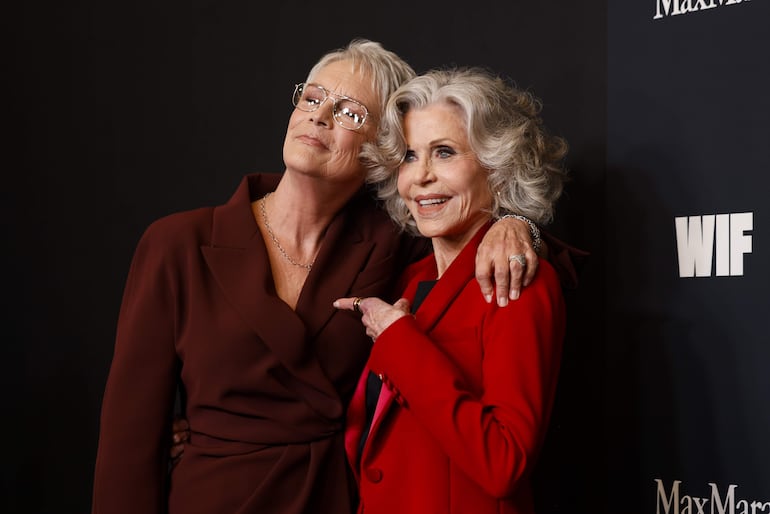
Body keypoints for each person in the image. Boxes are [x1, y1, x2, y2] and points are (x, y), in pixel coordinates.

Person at [91, 40, 546, 514]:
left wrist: (516, 225)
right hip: (214, 495)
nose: (319, 116)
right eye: (311, 98)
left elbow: (483, 240)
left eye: (350, 112)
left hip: (333, 499)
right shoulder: (177, 244)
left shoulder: (396, 243)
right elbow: (127, 444)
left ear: (382, 152)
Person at [334, 67, 568, 514]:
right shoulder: (414, 278)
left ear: (497, 169)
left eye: (443, 153)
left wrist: (400, 340)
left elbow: (504, 463)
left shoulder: (515, 277)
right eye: (408, 155)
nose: (419, 176)